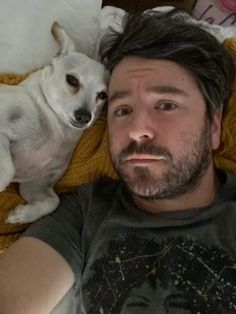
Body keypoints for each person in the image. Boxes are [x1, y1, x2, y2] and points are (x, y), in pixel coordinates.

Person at [0, 9, 236, 314]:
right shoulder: (81, 216)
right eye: (122, 109)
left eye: (166, 105)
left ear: (214, 125)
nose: (137, 129)